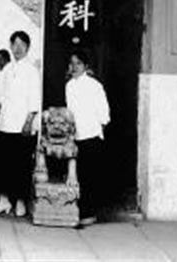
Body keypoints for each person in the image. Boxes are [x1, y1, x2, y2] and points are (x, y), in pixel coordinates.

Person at [0, 31, 41, 218]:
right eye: (15, 44)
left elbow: (34, 98)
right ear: (10, 46)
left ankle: (20, 202)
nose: (18, 48)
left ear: (27, 47)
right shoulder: (7, 69)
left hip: (22, 125)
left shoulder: (32, 70)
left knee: (21, 165)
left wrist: (28, 122)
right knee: (1, 164)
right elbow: (4, 95)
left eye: (21, 45)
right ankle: (3, 201)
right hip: (5, 123)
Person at [65, 49, 110, 226]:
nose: (74, 67)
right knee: (78, 175)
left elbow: (104, 112)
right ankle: (77, 211)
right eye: (72, 63)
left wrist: (98, 129)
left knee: (90, 176)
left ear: (85, 66)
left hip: (91, 135)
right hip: (76, 136)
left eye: (78, 63)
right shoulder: (69, 86)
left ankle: (89, 213)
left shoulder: (94, 85)